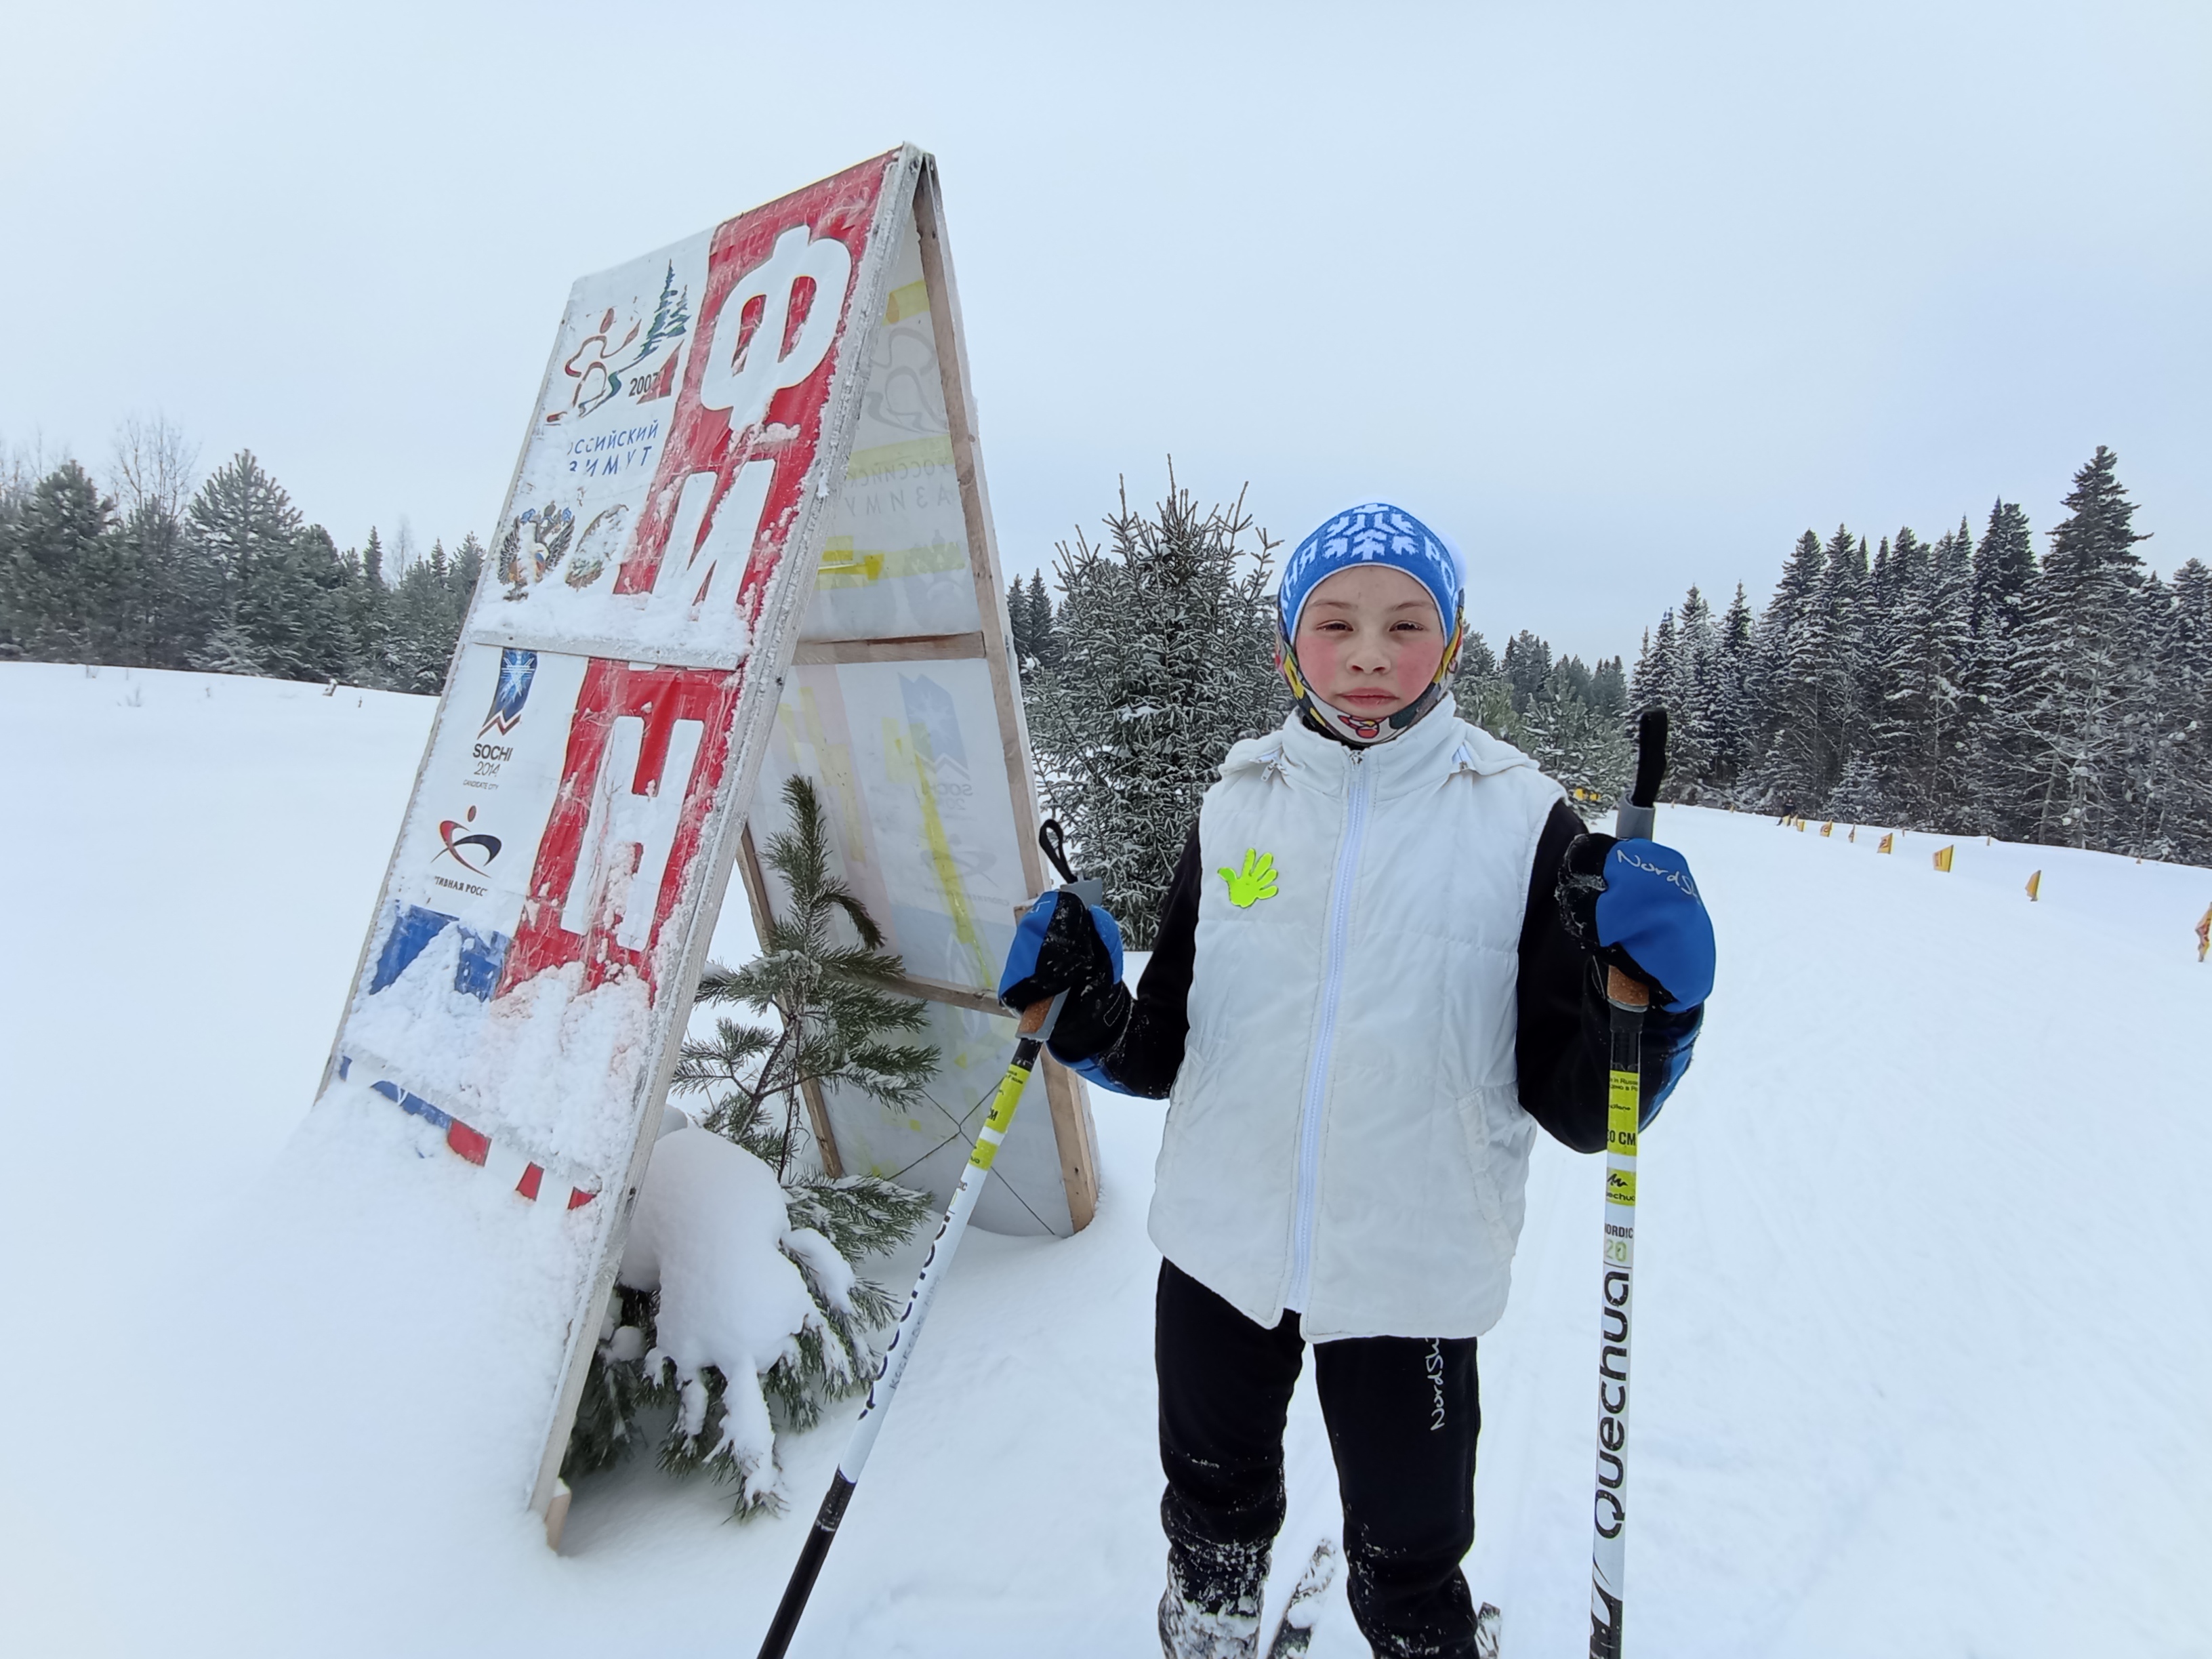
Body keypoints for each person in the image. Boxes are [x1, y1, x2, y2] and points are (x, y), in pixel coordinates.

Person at [998, 502, 1715, 1659]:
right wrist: (1080, 1005)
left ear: (1454, 640)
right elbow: (1160, 1048)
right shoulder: (1237, 804)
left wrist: (1659, 1006)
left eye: (1405, 624)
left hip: (1411, 1272)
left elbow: (1586, 1109)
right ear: (1291, 640)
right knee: (1210, 1506)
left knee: (1409, 1554)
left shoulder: (1524, 822)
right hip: (1220, 1247)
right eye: (1335, 623)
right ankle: (1210, 1622)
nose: (1370, 654)